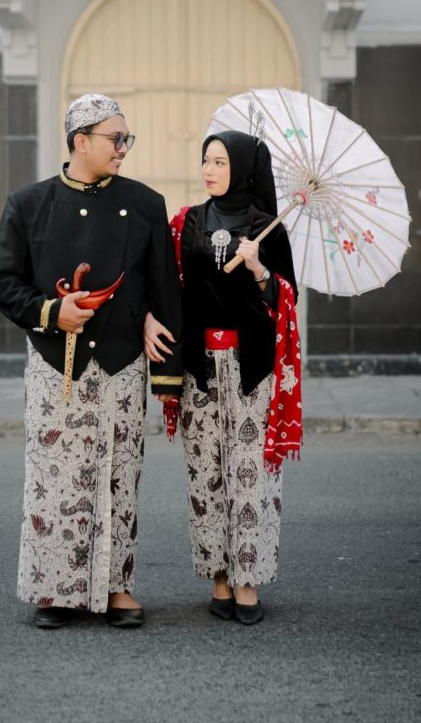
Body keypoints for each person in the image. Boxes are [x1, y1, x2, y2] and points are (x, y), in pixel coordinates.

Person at [0, 94, 182, 629]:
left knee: (120, 475)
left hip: (122, 362)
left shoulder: (145, 203)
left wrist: (165, 367)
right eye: (115, 138)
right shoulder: (28, 204)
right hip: (56, 364)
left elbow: (162, 285)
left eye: (126, 139)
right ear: (80, 141)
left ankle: (117, 587)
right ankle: (54, 590)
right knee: (55, 477)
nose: (124, 148)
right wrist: (52, 312)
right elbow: (1, 281)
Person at [145, 130, 301, 625]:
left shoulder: (267, 228)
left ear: (243, 170)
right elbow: (167, 286)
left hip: (250, 368)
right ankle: (218, 576)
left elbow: (287, 298)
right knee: (205, 471)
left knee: (249, 473)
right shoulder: (186, 222)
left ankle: (247, 579)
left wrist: (258, 270)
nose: (208, 170)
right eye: (206, 160)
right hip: (199, 367)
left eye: (219, 162)